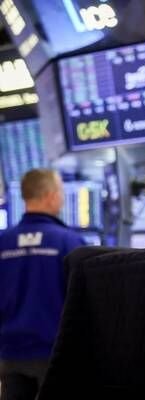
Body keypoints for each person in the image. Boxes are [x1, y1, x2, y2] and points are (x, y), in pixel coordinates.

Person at [0, 169, 86, 400]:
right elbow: (85, 302)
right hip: (55, 354)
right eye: (61, 191)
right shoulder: (70, 242)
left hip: (10, 353)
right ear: (50, 195)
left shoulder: (3, 242)